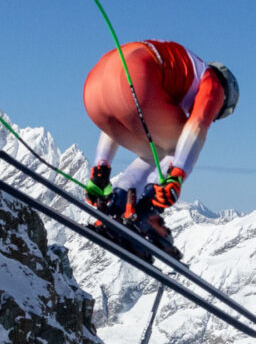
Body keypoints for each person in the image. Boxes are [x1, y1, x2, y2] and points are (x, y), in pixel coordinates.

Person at [81, 39, 238, 250]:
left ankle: (117, 204)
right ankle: (147, 212)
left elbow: (118, 118)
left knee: (155, 147)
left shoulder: (184, 67)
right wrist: (176, 177)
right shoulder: (214, 84)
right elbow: (197, 125)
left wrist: (100, 170)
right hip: (136, 78)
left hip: (94, 89)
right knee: (180, 142)